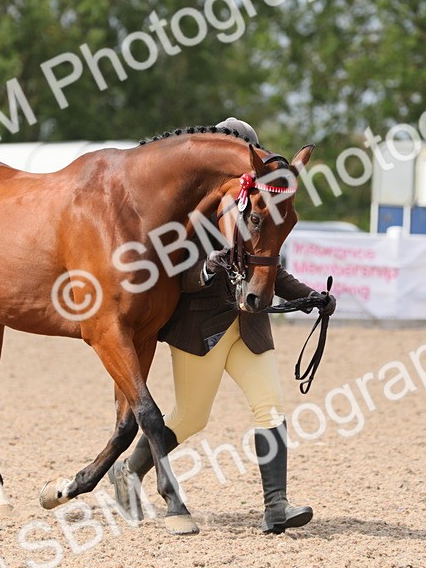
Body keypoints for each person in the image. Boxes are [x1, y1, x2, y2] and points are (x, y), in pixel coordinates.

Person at [108, 117, 336, 534]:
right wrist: (208, 270)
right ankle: (128, 471)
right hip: (201, 330)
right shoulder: (191, 211)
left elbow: (270, 268)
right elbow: (175, 273)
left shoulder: (260, 210)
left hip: (249, 329)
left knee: (270, 406)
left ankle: (276, 506)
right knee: (192, 417)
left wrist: (310, 296)